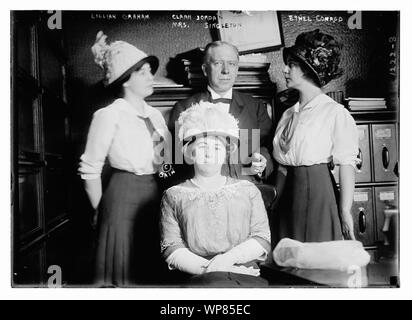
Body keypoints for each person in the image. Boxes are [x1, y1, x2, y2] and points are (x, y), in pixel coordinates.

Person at [79, 31, 171, 286]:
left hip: (155, 196)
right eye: (142, 72)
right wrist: (103, 211)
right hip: (120, 199)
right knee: (124, 275)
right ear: (125, 80)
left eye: (149, 71)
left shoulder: (156, 116)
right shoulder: (108, 115)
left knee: (150, 271)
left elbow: (166, 163)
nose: (150, 77)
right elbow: (90, 170)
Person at [160, 102, 271, 287]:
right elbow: (172, 249)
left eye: (217, 148)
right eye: (203, 147)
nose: (210, 154)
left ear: (226, 154)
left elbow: (261, 238)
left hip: (246, 274)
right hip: (198, 277)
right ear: (190, 153)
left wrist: (227, 261)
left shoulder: (248, 190)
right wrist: (213, 269)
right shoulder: (173, 196)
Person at [271, 29, 358, 247]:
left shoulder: (334, 113)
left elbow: (346, 164)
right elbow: (282, 164)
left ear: (309, 69)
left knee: (314, 263)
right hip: (286, 197)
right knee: (287, 263)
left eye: (291, 64)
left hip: (318, 194)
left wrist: (345, 211)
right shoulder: (288, 114)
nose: (284, 69)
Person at [168, 41, 275, 188]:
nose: (226, 71)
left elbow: (268, 148)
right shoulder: (184, 107)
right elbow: (175, 160)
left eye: (231, 64)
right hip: (202, 191)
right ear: (205, 69)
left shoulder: (255, 106)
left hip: (245, 190)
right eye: (218, 63)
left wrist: (263, 161)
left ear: (237, 69)